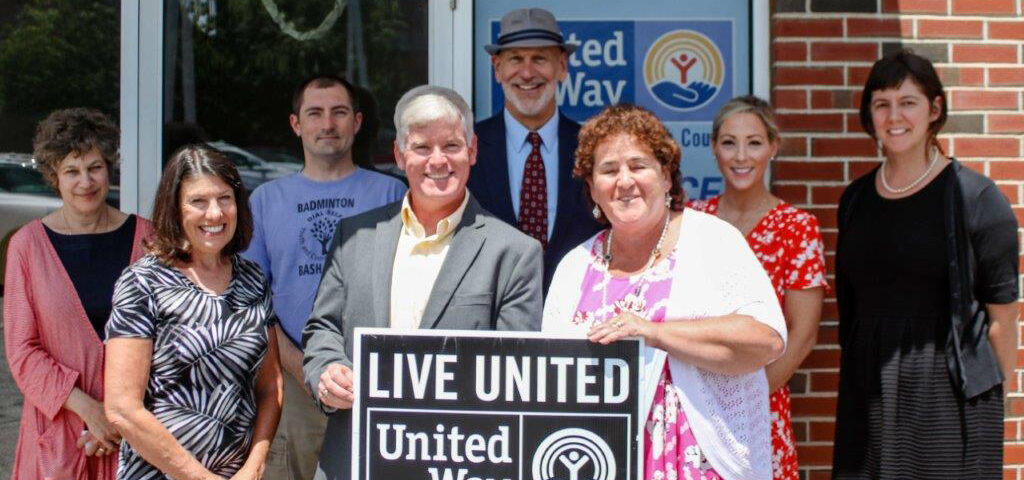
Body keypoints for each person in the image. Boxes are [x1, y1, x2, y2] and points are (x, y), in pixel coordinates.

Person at [302, 85, 543, 480]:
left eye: (451, 145)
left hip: (465, 461)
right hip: (357, 455)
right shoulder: (355, 236)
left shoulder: (515, 253)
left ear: (473, 151)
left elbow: (517, 372)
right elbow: (322, 328)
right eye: (421, 148)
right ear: (399, 155)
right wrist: (328, 369)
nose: (438, 161)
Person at [543, 104, 787, 480]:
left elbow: (766, 340)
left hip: (703, 467)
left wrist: (655, 333)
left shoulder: (712, 240)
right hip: (601, 465)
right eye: (608, 170)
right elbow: (549, 382)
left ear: (667, 176)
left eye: (638, 166)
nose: (624, 181)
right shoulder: (574, 267)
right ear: (592, 188)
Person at [832, 49, 1019, 479]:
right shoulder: (855, 200)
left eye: (908, 102)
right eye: (882, 104)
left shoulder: (977, 199)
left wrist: (987, 401)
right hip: (869, 391)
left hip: (950, 397)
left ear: (935, 109)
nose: (894, 116)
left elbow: (1002, 321)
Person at [243, 74, 405, 480]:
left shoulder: (391, 194)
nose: (327, 124)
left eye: (339, 113)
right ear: (296, 124)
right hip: (291, 383)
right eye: (315, 113)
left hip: (374, 380)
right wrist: (300, 365)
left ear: (357, 122)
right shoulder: (265, 200)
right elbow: (250, 299)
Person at [103, 145, 283, 480]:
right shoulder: (143, 282)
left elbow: (271, 387)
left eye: (224, 198)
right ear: (174, 209)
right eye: (198, 201)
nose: (214, 213)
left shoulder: (253, 279)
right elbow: (121, 408)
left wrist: (255, 466)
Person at [3, 108, 153, 480]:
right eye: (72, 171)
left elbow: (167, 334)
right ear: (55, 177)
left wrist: (118, 415)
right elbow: (22, 351)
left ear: (110, 169)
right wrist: (89, 410)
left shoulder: (147, 239)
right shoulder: (27, 246)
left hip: (136, 432)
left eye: (95, 167)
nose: (85, 181)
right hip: (59, 434)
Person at [687, 96, 827, 480]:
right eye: (729, 142)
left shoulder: (797, 227)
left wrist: (744, 401)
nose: (741, 156)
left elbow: (802, 335)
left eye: (754, 142)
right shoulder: (693, 220)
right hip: (695, 401)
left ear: (773, 147)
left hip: (761, 401)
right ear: (714, 147)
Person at [470, 7, 601, 291]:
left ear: (562, 67)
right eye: (516, 58)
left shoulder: (594, 147)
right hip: (488, 318)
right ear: (497, 68)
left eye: (539, 59)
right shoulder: (468, 149)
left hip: (576, 311)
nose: (527, 73)